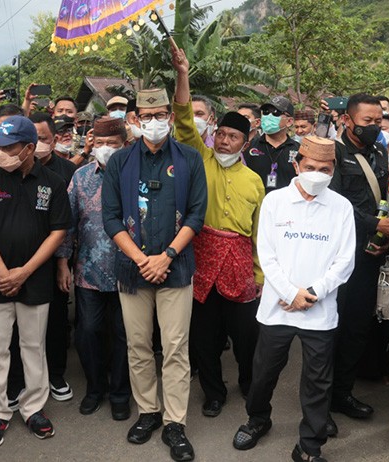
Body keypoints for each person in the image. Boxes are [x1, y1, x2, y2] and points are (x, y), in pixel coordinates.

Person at [232, 135, 356, 462]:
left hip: (320, 310)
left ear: (333, 171)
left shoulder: (341, 208)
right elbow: (266, 255)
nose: (317, 173)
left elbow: (345, 261)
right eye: (311, 167)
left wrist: (311, 294)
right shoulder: (275, 201)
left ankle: (309, 446)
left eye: (325, 169)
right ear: (296, 165)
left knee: (318, 382)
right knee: (263, 374)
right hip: (277, 308)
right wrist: (290, 293)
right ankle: (257, 418)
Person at [102, 86, 207, 462]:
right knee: (138, 344)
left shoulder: (190, 159)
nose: (155, 122)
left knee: (176, 347)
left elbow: (197, 213)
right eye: (147, 116)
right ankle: (148, 411)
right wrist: (143, 259)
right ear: (135, 120)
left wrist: (167, 256)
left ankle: (174, 421)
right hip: (132, 270)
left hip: (175, 268)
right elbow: (110, 217)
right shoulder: (119, 162)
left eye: (161, 114)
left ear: (169, 116)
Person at [172, 45, 265, 418]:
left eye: (232, 137)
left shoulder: (256, 181)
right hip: (201, 260)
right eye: (221, 134)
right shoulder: (198, 158)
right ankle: (213, 392)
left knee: (246, 336)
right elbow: (181, 118)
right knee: (204, 337)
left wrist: (261, 273)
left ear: (245, 142)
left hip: (242, 266)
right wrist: (182, 74)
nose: (224, 141)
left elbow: (259, 233)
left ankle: (248, 381)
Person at [0, 115, 70, 447]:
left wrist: (24, 272)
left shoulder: (53, 183)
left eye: (9, 147)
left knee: (33, 347)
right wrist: (3, 274)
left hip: (35, 280)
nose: (1, 153)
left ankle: (34, 408)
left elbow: (58, 232)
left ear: (29, 148)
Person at [329, 93, 389, 431]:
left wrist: (385, 233)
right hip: (339, 255)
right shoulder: (334, 153)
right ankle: (321, 400)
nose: (374, 127)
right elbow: (332, 204)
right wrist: (375, 224)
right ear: (347, 120)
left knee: (358, 327)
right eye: (367, 122)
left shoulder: (379, 152)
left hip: (370, 254)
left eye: (378, 121)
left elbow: (381, 198)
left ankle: (342, 393)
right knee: (331, 330)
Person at [56, 117, 132, 420]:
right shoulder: (81, 177)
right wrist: (63, 263)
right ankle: (95, 387)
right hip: (89, 270)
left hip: (128, 271)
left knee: (124, 335)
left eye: (111, 144)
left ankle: (120, 394)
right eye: (99, 143)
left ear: (124, 144)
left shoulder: (134, 176)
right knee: (88, 332)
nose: (105, 149)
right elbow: (68, 225)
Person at [29, 111, 77, 402]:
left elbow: (69, 225)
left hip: (57, 258)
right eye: (31, 139)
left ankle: (56, 375)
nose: (36, 145)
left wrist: (63, 262)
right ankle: (25, 379)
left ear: (55, 139)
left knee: (57, 318)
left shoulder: (68, 172)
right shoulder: (13, 170)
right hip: (22, 259)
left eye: (43, 139)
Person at [244, 95, 300, 193]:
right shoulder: (249, 147)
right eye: (266, 112)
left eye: (275, 113)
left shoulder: (299, 150)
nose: (269, 116)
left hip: (286, 206)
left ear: (289, 121)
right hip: (257, 205)